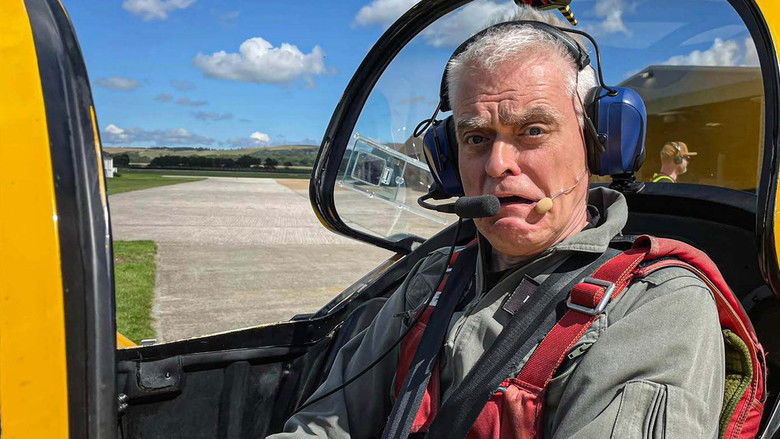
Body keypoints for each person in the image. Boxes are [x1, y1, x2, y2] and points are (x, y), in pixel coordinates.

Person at [269, 8, 724, 438]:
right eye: (476, 137)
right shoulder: (432, 278)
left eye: (533, 131)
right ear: (449, 161)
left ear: (596, 144)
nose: (497, 164)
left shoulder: (654, 305)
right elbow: (326, 425)